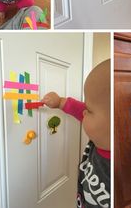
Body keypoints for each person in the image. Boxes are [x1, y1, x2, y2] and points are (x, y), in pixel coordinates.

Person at [42, 59, 111, 208]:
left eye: (90, 111)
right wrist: (60, 102)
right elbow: (82, 112)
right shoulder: (101, 135)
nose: (84, 112)